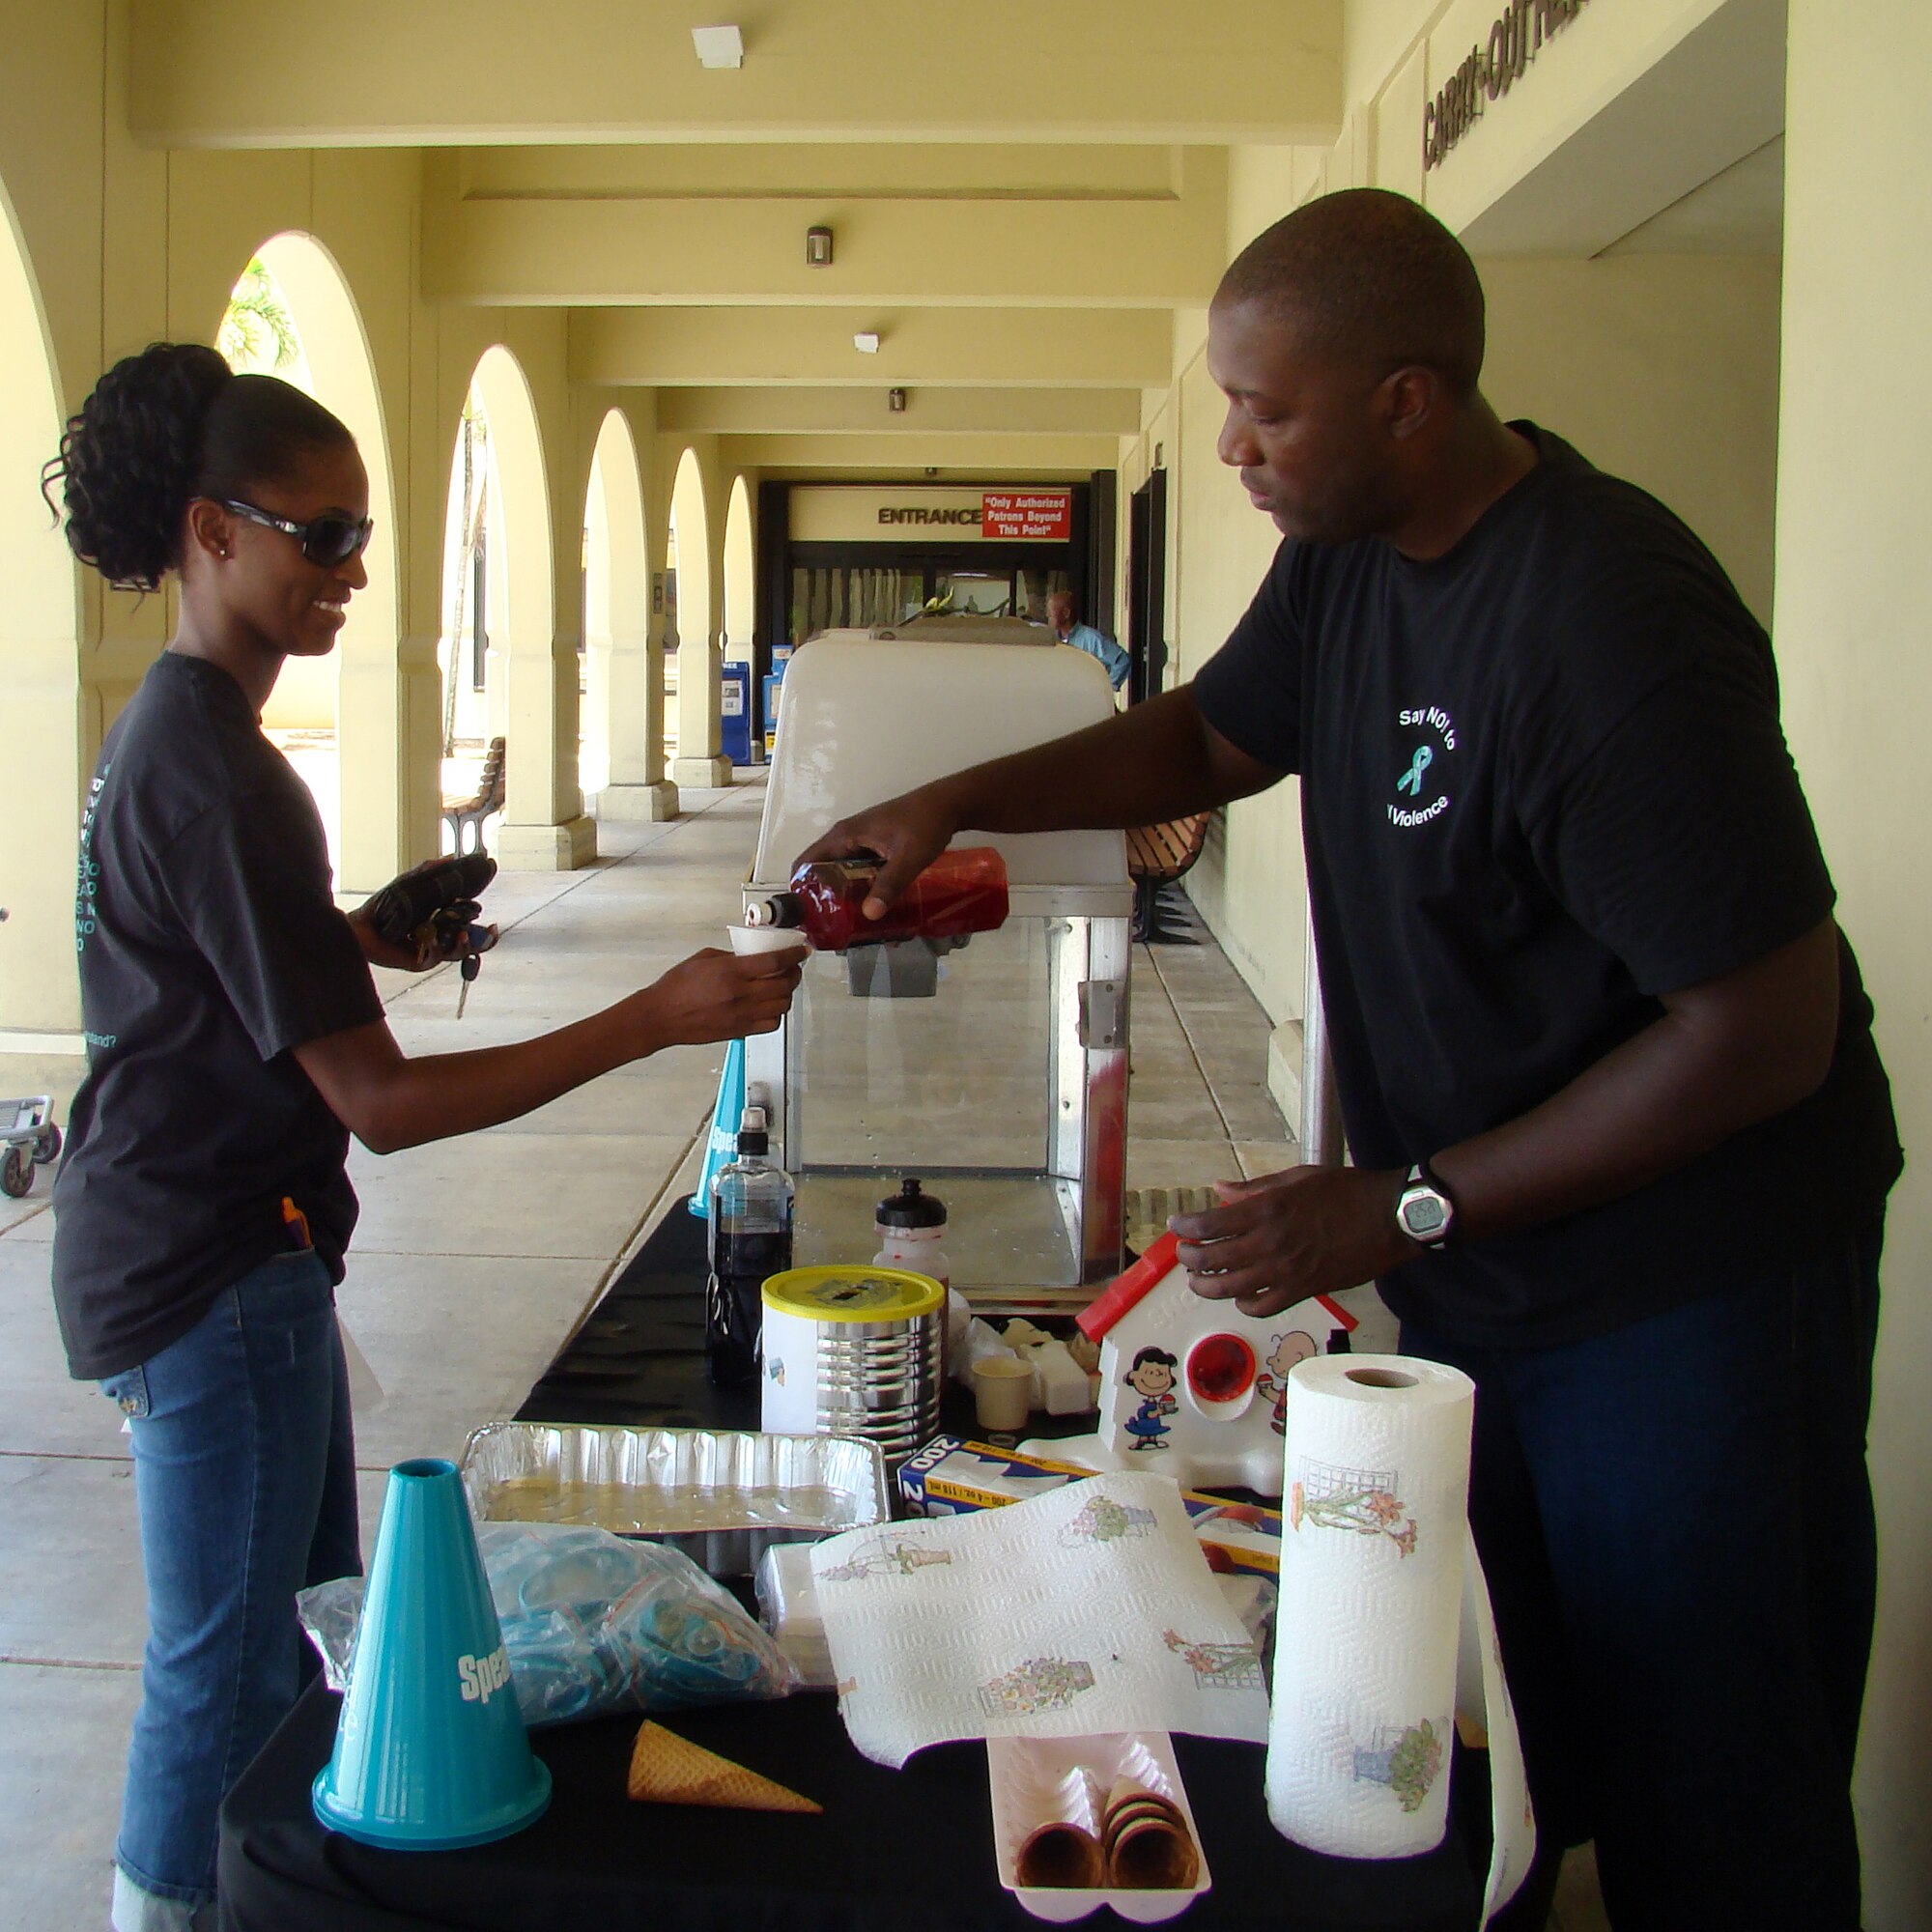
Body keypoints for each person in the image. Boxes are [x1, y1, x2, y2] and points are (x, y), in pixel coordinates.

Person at [801, 190, 1899, 1930]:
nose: (1231, 445)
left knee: (1718, 1792)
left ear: (1409, 398)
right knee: (1478, 1749)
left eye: (1267, 409)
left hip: (1692, 1292)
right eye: (1225, 403)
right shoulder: (1351, 553)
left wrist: (1403, 1202)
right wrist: (959, 794)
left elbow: (1770, 1032)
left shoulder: (1609, 627)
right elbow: (1216, 732)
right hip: (1489, 1269)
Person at [43, 342, 802, 1932]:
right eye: (318, 535)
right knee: (227, 1664)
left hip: (221, 1249)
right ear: (211, 532)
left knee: (313, 1630)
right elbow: (383, 1108)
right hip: (205, 1267)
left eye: (361, 532)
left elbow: (211, 962)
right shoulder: (224, 771)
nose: (354, 569)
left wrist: (360, 941)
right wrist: (653, 1016)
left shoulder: (175, 736)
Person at [1045, 589, 1130, 691]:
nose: (1047, 615)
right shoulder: (1050, 639)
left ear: (1066, 613)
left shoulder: (1091, 638)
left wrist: (1105, 689)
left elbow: (1122, 660)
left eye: (1051, 613)